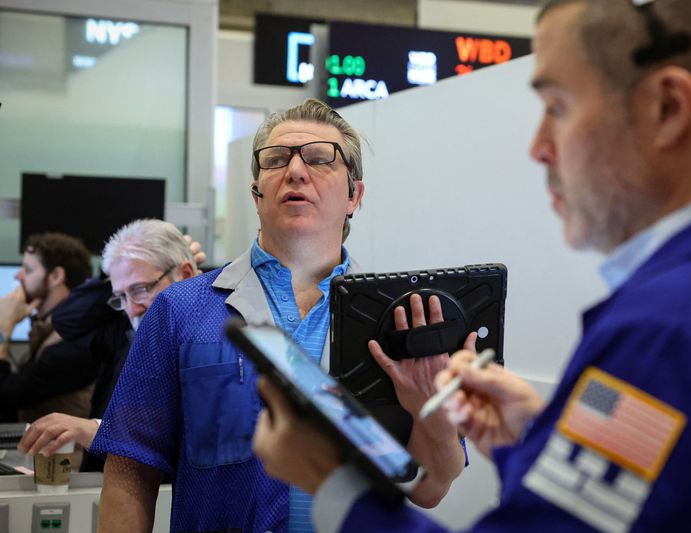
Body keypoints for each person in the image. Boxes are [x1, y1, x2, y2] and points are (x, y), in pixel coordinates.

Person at [251, 0, 691, 531]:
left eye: (557, 107)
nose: (538, 146)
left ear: (667, 108)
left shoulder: (669, 329)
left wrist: (332, 485)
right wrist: (546, 433)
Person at [90, 98, 469, 533]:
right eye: (275, 160)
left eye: (320, 158)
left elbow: (427, 488)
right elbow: (129, 472)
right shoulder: (180, 310)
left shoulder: (396, 321)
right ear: (257, 193)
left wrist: (432, 415)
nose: (295, 170)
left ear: (354, 195)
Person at [16, 220, 202, 472]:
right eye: (122, 296)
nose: (132, 308)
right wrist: (122, 269)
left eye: (140, 289)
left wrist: (93, 428)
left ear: (187, 274)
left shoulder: (216, 341)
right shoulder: (128, 335)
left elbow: (189, 435)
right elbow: (67, 317)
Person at [0, 233, 94, 426]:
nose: (18, 276)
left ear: (56, 276)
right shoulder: (54, 328)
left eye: (28, 269)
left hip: (65, 455)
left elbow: (5, 396)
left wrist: (3, 328)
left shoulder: (73, 339)